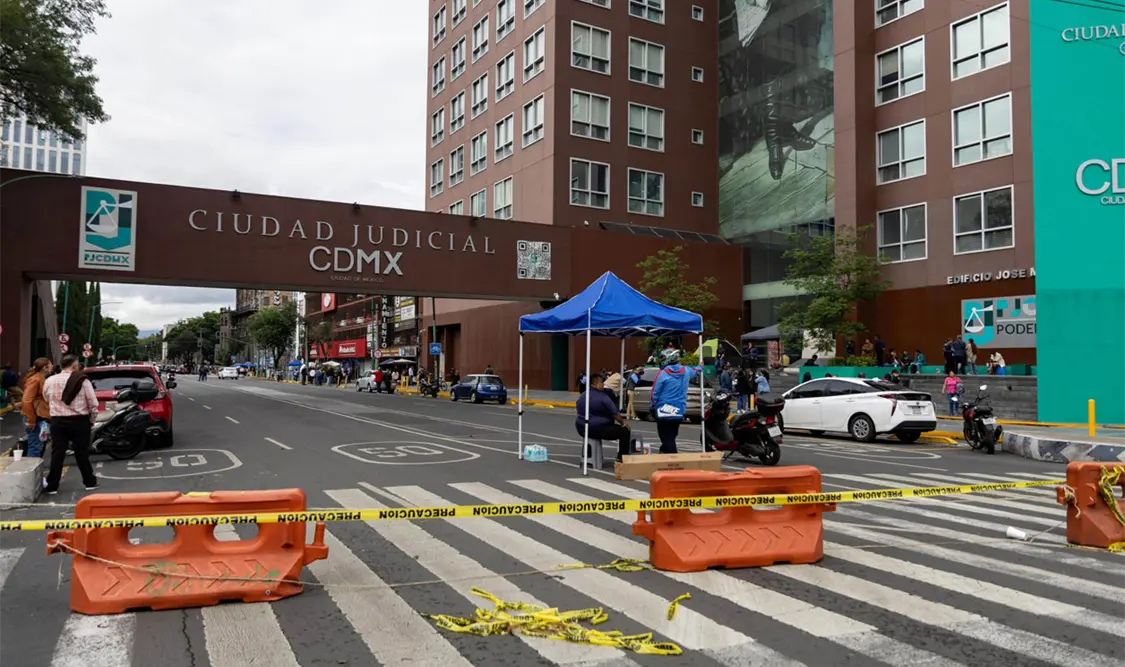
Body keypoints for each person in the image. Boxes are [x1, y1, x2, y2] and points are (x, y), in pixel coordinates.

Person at [42, 355, 99, 494]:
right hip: (79, 420)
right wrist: (92, 420)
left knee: (57, 452)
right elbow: (93, 402)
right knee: (81, 452)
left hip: (57, 420)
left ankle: (52, 485)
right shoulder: (82, 380)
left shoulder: (50, 380)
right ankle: (89, 481)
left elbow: (46, 397)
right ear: (74, 366)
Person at [649, 351, 701, 454]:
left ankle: (671, 455)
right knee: (673, 432)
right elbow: (696, 371)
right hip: (679, 408)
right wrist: (700, 366)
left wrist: (652, 405)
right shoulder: (686, 370)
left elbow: (655, 392)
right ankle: (665, 450)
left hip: (663, 407)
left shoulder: (663, 373)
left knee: (665, 434)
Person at [575, 373, 632, 463]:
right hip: (597, 429)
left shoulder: (582, 395)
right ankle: (621, 457)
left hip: (582, 428)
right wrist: (623, 423)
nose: (603, 385)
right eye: (602, 383)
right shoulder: (603, 397)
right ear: (596, 383)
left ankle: (589, 453)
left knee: (593, 435)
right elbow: (615, 414)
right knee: (624, 431)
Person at [20, 358, 52, 458]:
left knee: (39, 445)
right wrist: (31, 420)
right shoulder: (35, 380)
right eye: (50, 365)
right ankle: (33, 471)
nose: (52, 367)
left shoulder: (41, 379)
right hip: (35, 417)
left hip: (40, 416)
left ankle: (36, 471)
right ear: (45, 368)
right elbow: (26, 400)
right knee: (35, 446)